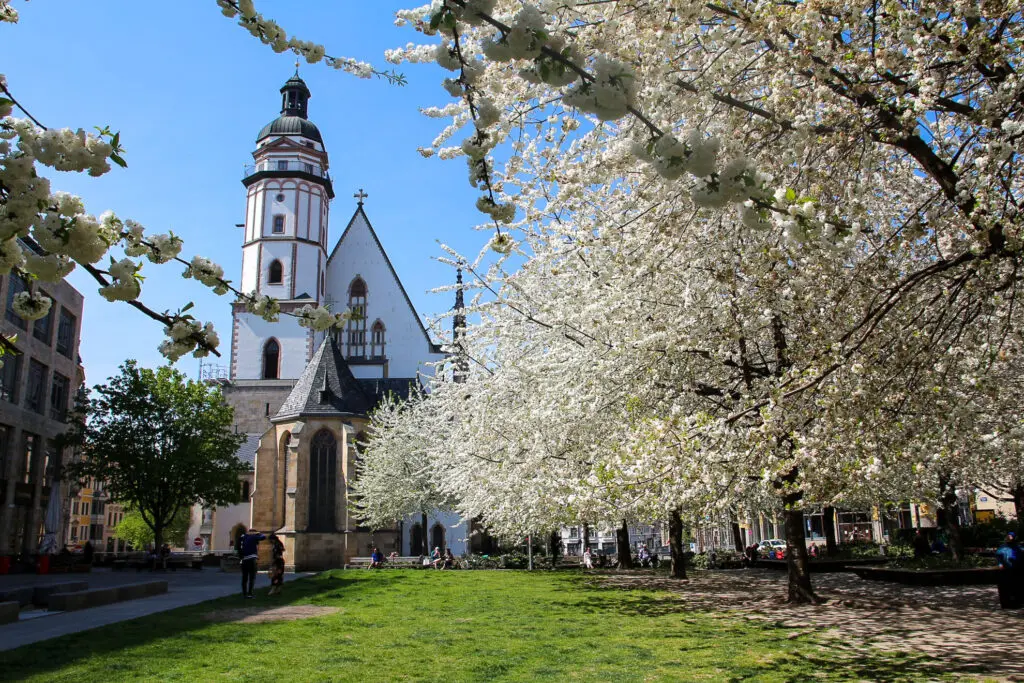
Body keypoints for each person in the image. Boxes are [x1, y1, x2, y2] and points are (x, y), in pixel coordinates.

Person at [996, 531, 1022, 609]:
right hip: (1005, 570)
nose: (1009, 537)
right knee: (1006, 587)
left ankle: (1017, 602)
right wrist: (1000, 564)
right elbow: (999, 556)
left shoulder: (1018, 548)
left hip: (1017, 569)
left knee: (1017, 586)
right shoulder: (1003, 547)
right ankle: (1007, 603)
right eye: (1008, 536)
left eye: (1011, 536)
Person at [238, 528, 266, 598]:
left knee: (244, 578)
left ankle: (244, 594)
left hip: (244, 560)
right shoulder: (254, 537)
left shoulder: (243, 537)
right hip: (252, 559)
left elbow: (238, 545)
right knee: (252, 577)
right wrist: (258, 533)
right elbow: (263, 537)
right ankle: (250, 593)